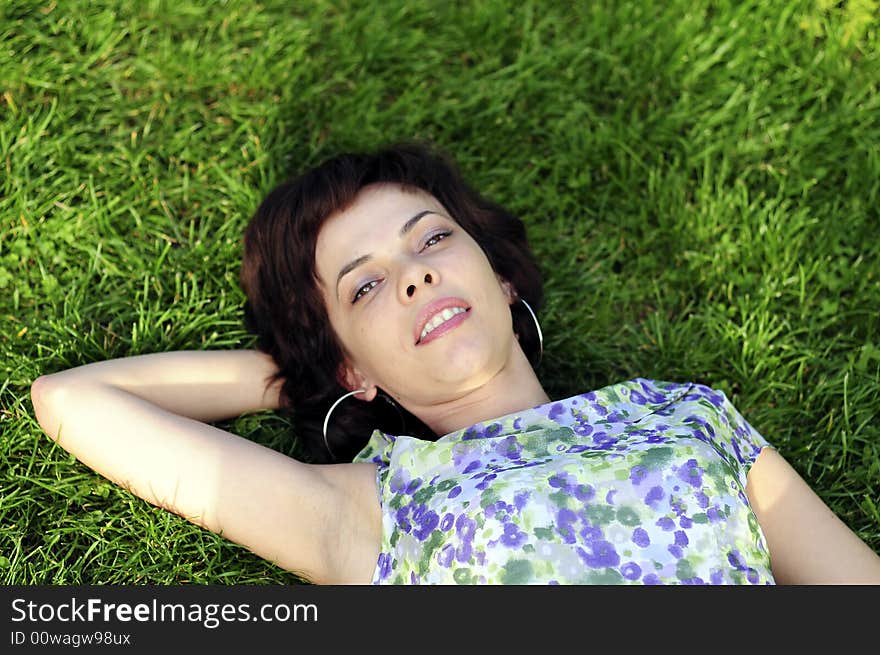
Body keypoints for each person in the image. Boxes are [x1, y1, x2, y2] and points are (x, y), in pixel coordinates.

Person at [30, 143, 880, 585]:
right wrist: (305, 371)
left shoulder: (686, 414)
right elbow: (75, 398)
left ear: (499, 276)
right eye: (366, 288)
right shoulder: (376, 504)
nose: (416, 275)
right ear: (353, 368)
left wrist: (349, 339)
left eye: (432, 237)